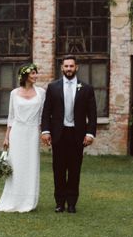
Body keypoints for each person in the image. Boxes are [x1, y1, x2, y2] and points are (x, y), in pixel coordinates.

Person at [41, 54, 97, 213]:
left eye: (71, 66)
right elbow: (46, 112)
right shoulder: (53, 87)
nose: (69, 69)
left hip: (77, 134)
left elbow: (92, 114)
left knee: (74, 169)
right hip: (59, 134)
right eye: (66, 66)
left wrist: (90, 134)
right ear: (62, 68)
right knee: (58, 169)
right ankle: (59, 203)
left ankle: (72, 203)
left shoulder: (86, 88)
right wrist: (45, 131)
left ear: (76, 67)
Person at [0, 63, 45, 213]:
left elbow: (42, 116)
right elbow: (11, 117)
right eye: (33, 73)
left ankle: (29, 200)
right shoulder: (14, 93)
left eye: (36, 73)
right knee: (16, 165)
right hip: (17, 132)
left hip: (32, 132)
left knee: (30, 164)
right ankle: (14, 199)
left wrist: (44, 133)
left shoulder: (41, 92)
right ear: (25, 75)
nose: (35, 76)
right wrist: (6, 137)